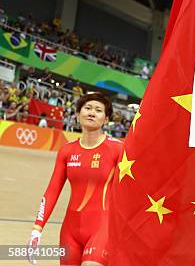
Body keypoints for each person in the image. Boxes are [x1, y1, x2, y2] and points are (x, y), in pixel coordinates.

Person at [27, 93, 123, 265]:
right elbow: (53, 190)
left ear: (106, 119)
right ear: (78, 114)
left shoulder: (117, 149)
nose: (92, 112)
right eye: (87, 108)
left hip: (102, 228)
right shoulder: (67, 151)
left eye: (98, 110)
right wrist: (37, 229)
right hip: (70, 231)